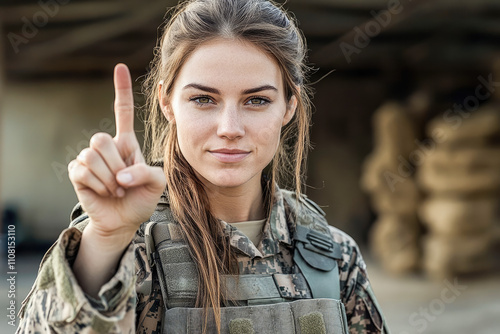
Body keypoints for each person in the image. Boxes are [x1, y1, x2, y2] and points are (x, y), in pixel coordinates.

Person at [17, 0, 389, 333]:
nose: (229, 128)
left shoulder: (331, 253)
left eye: (257, 100)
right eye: (203, 99)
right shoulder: (125, 245)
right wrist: (107, 241)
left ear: (288, 108)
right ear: (167, 103)